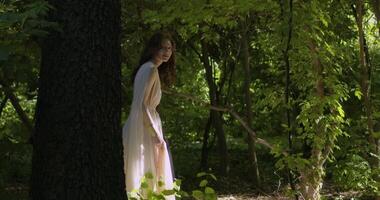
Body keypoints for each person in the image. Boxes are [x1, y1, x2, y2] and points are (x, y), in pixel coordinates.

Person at [122, 32, 176, 199]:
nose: (166, 52)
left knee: (142, 170)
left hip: (140, 124)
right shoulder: (151, 69)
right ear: (153, 49)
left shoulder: (146, 68)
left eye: (169, 48)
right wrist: (155, 135)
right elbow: (143, 105)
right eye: (162, 48)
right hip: (145, 127)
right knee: (149, 169)